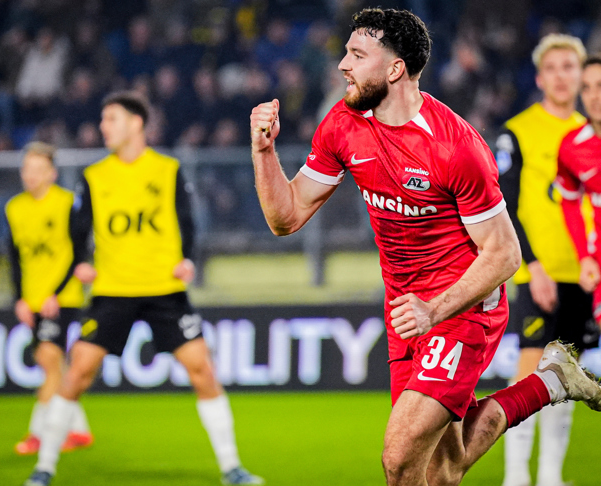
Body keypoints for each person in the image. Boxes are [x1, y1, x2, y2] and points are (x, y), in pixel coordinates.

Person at [249, 8, 601, 486]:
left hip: (461, 308)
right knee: (442, 470)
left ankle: (549, 384)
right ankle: (551, 382)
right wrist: (264, 152)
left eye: (357, 55)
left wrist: (434, 310)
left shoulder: (456, 146)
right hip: (406, 311)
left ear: (395, 69)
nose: (343, 65)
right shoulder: (342, 123)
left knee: (398, 458)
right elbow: (285, 217)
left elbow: (504, 253)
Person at [23, 92, 263, 486]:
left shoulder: (167, 169)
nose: (103, 126)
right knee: (77, 373)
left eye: (111, 119)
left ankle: (232, 468)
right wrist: (80, 262)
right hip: (112, 291)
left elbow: (187, 221)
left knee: (203, 371)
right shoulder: (95, 176)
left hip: (163, 289)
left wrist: (187, 258)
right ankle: (44, 468)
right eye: (103, 119)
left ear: (136, 123)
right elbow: (79, 230)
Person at [495, 34, 600, 486]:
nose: (561, 76)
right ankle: (516, 476)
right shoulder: (517, 131)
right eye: (552, 68)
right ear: (539, 78)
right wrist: (532, 266)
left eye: (569, 67)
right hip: (537, 273)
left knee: (566, 378)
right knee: (529, 373)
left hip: (583, 274)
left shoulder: (588, 133)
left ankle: (551, 477)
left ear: (581, 76)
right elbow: (505, 205)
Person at [6, 142, 93, 456]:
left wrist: (55, 294)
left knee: (48, 359)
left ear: (52, 173)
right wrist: (19, 299)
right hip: (31, 301)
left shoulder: (67, 203)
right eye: (26, 169)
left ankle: (38, 433)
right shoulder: (15, 208)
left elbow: (79, 254)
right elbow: (15, 258)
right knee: (55, 366)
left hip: (62, 299)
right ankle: (79, 430)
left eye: (38, 169)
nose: (30, 175)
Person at [557, 56, 601, 330]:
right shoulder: (572, 147)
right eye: (586, 87)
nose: (594, 96)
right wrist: (584, 258)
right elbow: (569, 203)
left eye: (600, 85)